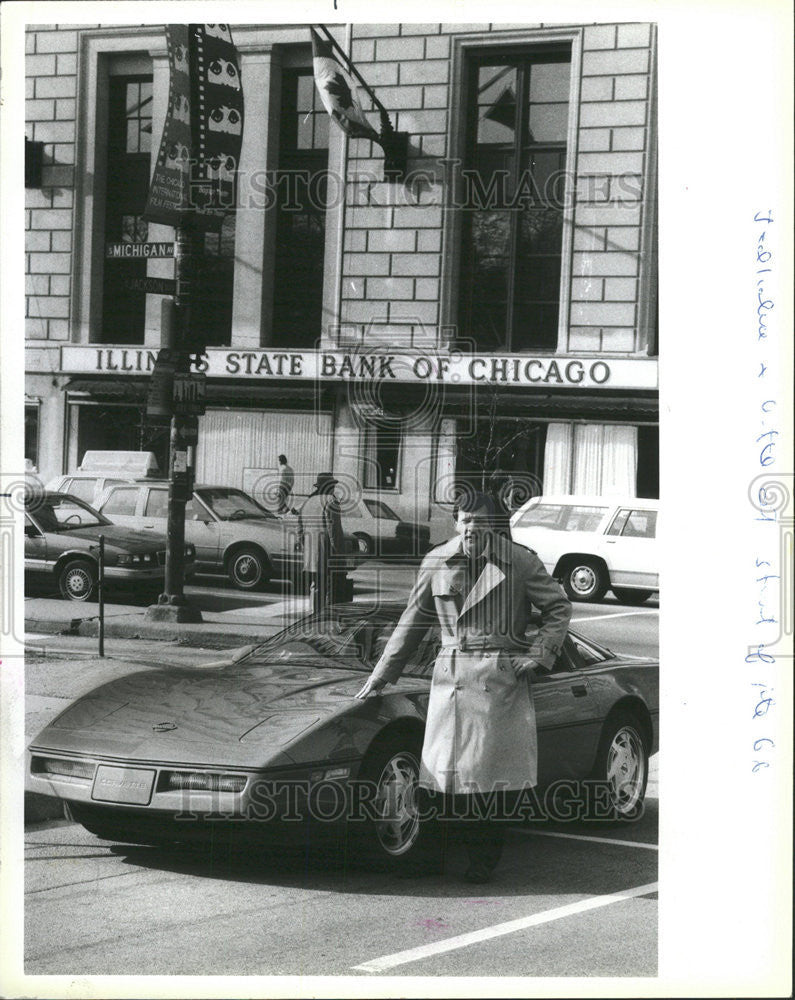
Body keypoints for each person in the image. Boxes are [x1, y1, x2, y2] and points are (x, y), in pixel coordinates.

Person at [355, 491, 572, 883]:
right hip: (451, 677)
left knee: (489, 782)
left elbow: (558, 607)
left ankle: (482, 861)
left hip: (497, 680)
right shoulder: (437, 560)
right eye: (466, 519)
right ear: (456, 523)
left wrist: (540, 655)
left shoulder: (519, 561)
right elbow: (412, 620)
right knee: (440, 777)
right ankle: (434, 857)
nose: (473, 527)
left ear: (494, 523)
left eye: (481, 520)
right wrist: (381, 675)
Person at [298, 472, 345, 612]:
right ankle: (325, 618)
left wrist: (305, 546)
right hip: (326, 552)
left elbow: (299, 529)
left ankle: (315, 615)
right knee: (329, 587)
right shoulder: (331, 501)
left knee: (315, 585)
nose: (334, 489)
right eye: (333, 486)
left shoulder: (308, 502)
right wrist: (339, 553)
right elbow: (334, 531)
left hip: (310, 552)